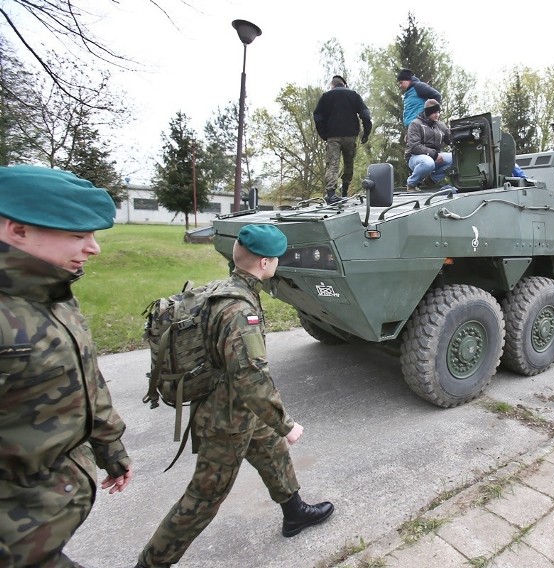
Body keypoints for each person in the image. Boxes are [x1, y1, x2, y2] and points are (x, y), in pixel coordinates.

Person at [135, 224, 333, 568]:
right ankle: (151, 563)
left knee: (272, 451)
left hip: (237, 407)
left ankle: (295, 511)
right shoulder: (240, 311)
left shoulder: (223, 286)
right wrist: (286, 424)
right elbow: (252, 378)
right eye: (277, 260)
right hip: (226, 418)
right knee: (204, 496)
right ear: (267, 263)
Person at [0, 164, 133, 566]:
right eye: (78, 235)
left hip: (45, 525)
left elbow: (86, 376)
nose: (94, 248)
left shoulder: (53, 294)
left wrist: (110, 447)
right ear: (18, 231)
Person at [313, 74, 372, 204]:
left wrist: (323, 133)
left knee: (332, 164)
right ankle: (345, 191)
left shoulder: (326, 97)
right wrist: (366, 132)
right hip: (350, 136)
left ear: (332, 85)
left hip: (333, 136)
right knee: (348, 163)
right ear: (344, 84)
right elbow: (365, 115)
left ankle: (331, 193)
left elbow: (317, 117)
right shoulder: (354, 95)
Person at [404, 99, 453, 191]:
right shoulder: (415, 124)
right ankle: (411, 184)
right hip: (415, 157)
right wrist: (434, 154)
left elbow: (451, 139)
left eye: (438, 112)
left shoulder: (440, 125)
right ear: (427, 112)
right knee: (428, 163)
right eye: (434, 112)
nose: (437, 115)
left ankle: (431, 180)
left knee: (455, 158)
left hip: (435, 156)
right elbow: (414, 147)